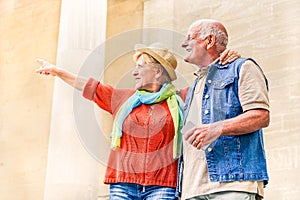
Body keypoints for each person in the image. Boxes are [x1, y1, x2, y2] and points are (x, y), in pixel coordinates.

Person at [36, 43, 239, 199]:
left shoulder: (183, 98)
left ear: (158, 71)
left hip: (163, 185)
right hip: (122, 183)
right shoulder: (123, 99)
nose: (134, 71)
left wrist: (225, 62)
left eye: (140, 67)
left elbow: (210, 85)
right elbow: (90, 87)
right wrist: (57, 71)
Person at [175, 19, 270, 200]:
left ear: (209, 41)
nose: (183, 43)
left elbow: (260, 116)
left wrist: (215, 129)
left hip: (232, 185)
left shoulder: (242, 68)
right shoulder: (195, 85)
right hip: (192, 189)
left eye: (190, 37)